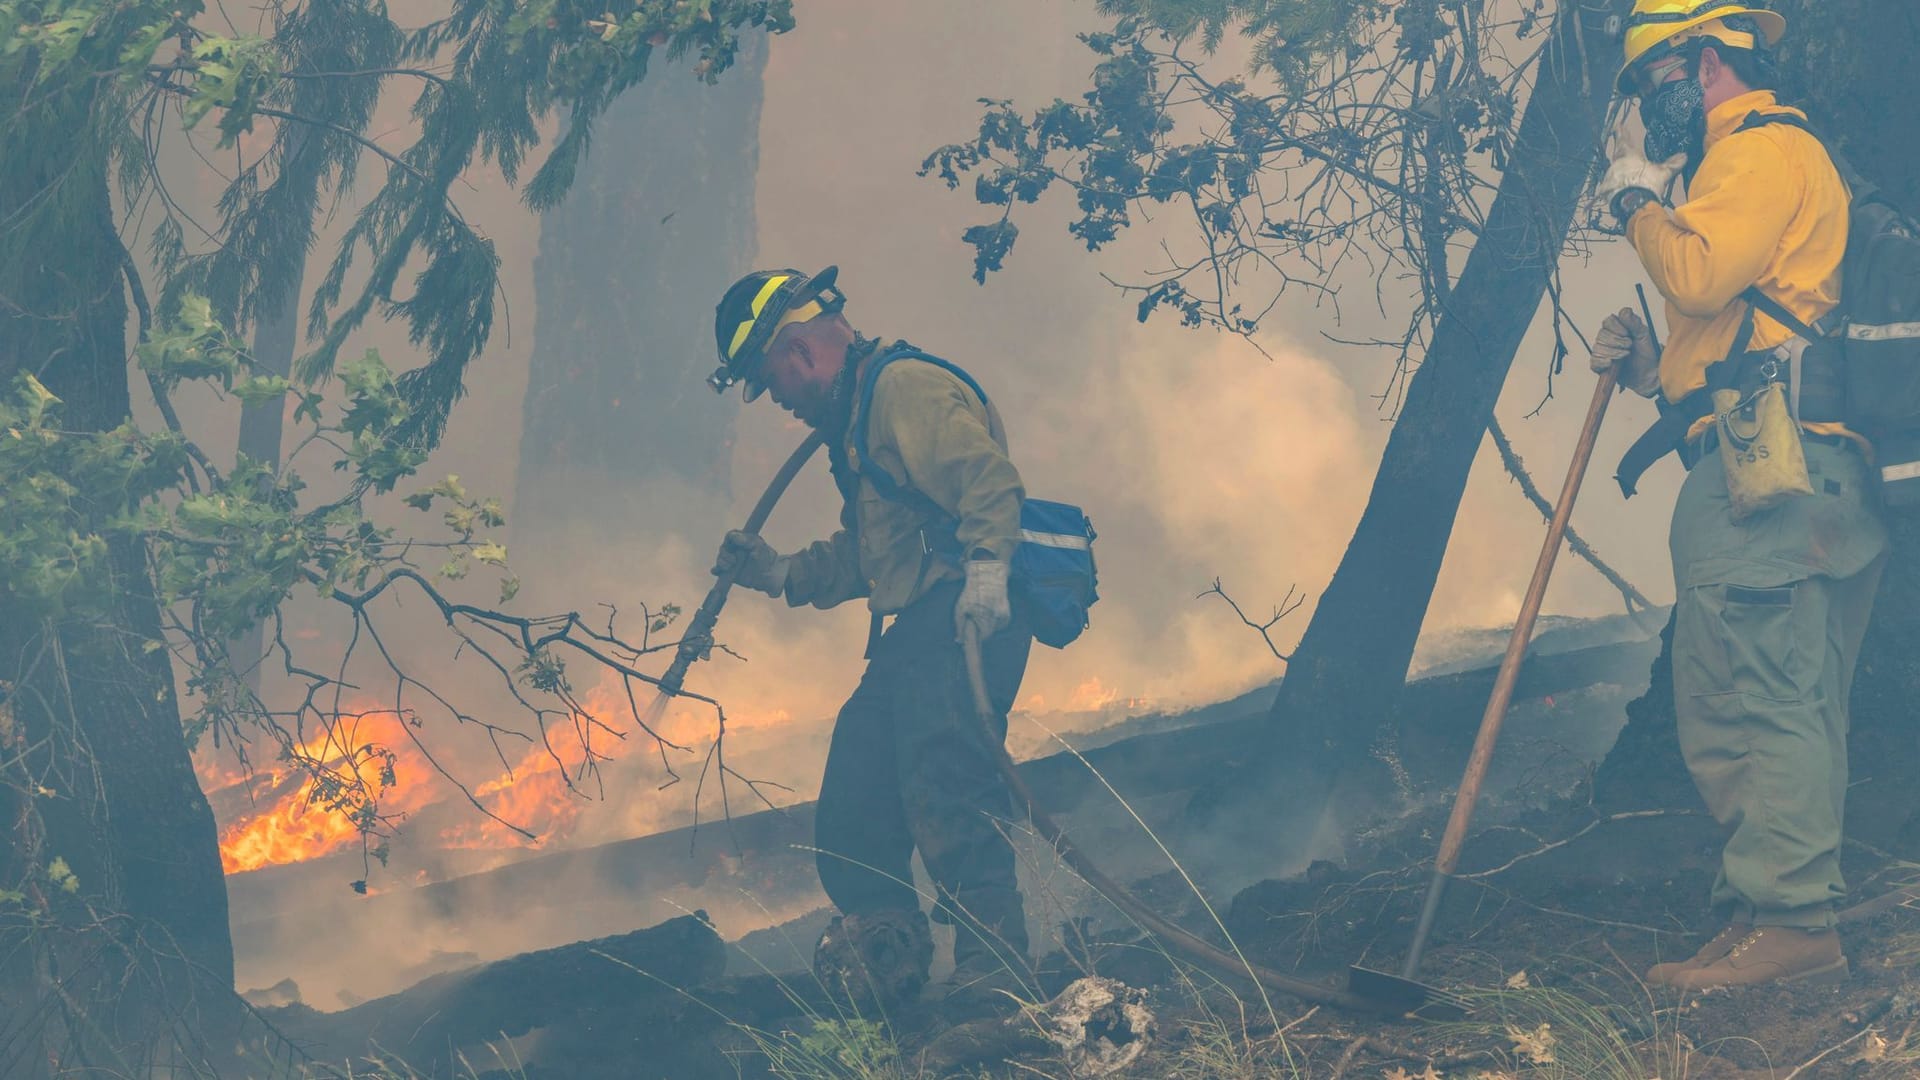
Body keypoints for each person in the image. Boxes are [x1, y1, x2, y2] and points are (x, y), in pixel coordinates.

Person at [1594, 2, 1889, 990]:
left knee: (1755, 706)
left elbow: (1701, 270)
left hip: (1772, 480)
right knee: (1786, 703)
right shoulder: (1766, 160)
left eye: (1649, 82)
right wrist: (1652, 371)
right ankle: (1771, 914)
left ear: (1703, 60)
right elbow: (1743, 335)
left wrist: (1637, 200)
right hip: (1796, 463)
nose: (1643, 107)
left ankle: (1795, 925)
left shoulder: (1755, 152)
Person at [705, 266, 1035, 1005]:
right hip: (915, 629)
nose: (781, 402)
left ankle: (998, 974)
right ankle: (888, 962)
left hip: (960, 617)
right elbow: (871, 550)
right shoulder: (856, 419)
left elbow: (988, 484)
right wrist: (781, 571)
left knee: (948, 786)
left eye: (771, 381)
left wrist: (986, 578)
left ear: (796, 353)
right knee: (856, 794)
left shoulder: (902, 391)